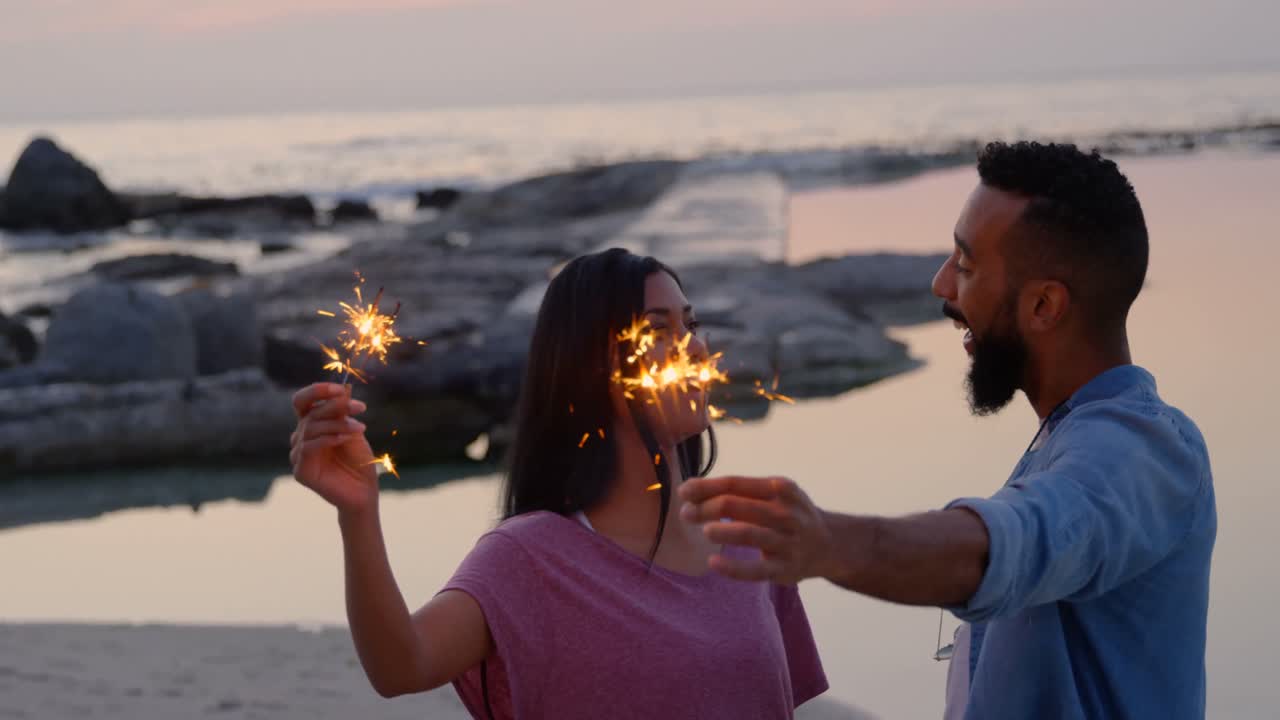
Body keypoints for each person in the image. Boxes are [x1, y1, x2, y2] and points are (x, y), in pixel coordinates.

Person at [679, 142, 1217, 719]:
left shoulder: (1135, 455)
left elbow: (1012, 544)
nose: (941, 286)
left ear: (1043, 306)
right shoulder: (1071, 436)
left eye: (965, 265)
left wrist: (827, 543)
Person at [289, 248, 827, 719]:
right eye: (657, 331)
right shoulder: (531, 559)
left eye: (690, 325)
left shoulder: (749, 538)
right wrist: (357, 514)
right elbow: (400, 666)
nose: (695, 351)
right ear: (591, 366)